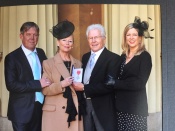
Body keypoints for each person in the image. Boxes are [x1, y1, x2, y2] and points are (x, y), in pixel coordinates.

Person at [105, 16, 152, 131]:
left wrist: (116, 83)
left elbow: (139, 83)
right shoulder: (122, 57)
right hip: (120, 107)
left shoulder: (144, 57)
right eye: (128, 35)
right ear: (125, 37)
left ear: (140, 38)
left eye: (134, 35)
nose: (131, 38)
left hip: (135, 109)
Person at [73, 24, 121, 131]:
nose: (93, 41)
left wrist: (84, 88)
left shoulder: (113, 58)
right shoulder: (85, 57)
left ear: (104, 39)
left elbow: (109, 86)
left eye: (96, 37)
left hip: (103, 107)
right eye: (90, 38)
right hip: (86, 105)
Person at [4, 22, 51, 131]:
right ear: (21, 36)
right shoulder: (12, 57)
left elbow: (48, 74)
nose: (32, 38)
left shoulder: (41, 53)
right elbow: (11, 85)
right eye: (28, 34)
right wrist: (38, 84)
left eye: (35, 35)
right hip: (21, 112)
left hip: (40, 108)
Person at [41, 20, 85, 131]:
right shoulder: (48, 63)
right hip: (55, 114)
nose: (67, 43)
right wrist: (62, 84)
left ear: (73, 44)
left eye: (70, 41)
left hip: (74, 112)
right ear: (58, 42)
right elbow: (45, 90)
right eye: (64, 40)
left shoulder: (78, 63)